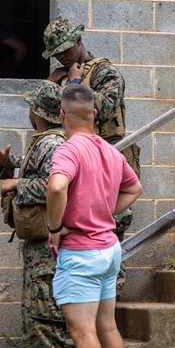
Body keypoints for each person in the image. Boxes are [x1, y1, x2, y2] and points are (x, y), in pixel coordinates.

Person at [45, 84, 142, 348]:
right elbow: (134, 187)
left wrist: (55, 226)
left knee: (83, 331)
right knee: (106, 325)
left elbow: (56, 186)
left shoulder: (68, 150)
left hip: (82, 253)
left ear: (62, 115)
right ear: (96, 115)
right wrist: (105, 214)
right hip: (109, 249)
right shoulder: (110, 151)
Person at [0, 81, 71, 348]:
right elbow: (37, 172)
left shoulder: (52, 143)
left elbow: (56, 185)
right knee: (31, 316)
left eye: (32, 106)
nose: (29, 110)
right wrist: (9, 165)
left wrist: (15, 182)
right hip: (35, 244)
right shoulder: (44, 141)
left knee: (45, 314)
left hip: (47, 245)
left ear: (40, 111)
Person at [42, 18, 139, 291]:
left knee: (108, 233)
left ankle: (110, 302)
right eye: (56, 53)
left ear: (79, 42)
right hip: (77, 162)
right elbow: (44, 111)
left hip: (105, 160)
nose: (61, 56)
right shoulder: (62, 74)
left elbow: (106, 107)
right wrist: (51, 83)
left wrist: (74, 84)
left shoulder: (105, 72)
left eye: (65, 49)